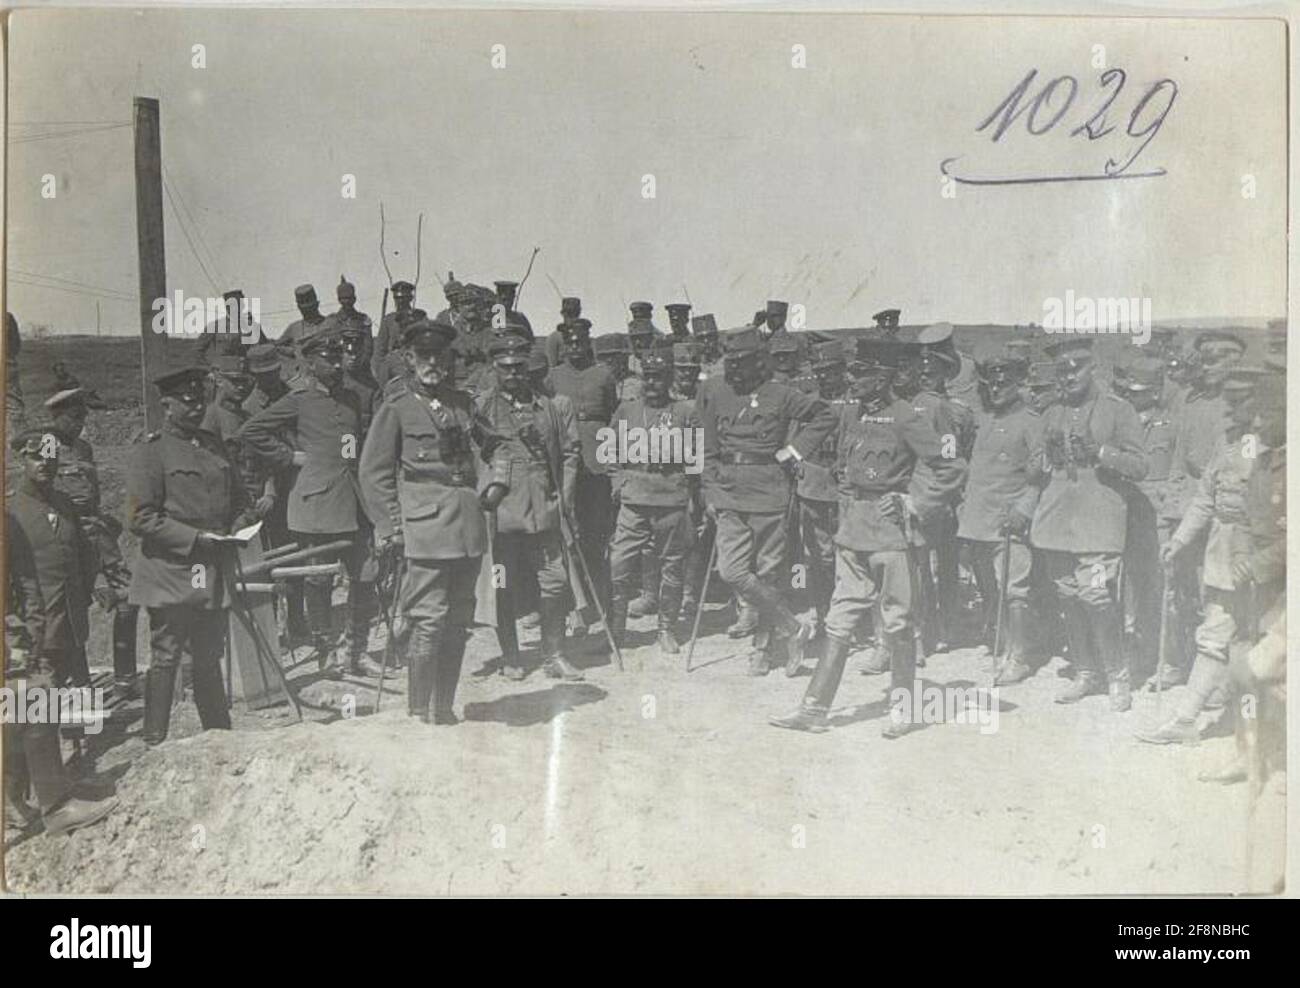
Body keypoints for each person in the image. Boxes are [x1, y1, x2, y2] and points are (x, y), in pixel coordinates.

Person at [769, 332, 965, 735]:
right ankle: (814, 709)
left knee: (897, 623)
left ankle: (903, 710)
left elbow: (951, 466)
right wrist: (844, 513)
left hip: (892, 535)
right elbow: (844, 470)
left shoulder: (908, 416)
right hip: (853, 532)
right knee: (839, 621)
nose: (852, 380)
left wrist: (913, 503)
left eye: (860, 373)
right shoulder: (852, 414)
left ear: (881, 377)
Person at [360, 315, 507, 724]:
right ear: (409, 358)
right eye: (424, 355)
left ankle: (443, 709)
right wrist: (391, 527)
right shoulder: (397, 408)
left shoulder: (462, 403)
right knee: (429, 620)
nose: (433, 363)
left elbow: (495, 445)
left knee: (459, 620)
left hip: (467, 525)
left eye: (440, 355)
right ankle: (418, 713)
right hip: (423, 528)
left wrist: (495, 482)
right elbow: (373, 473)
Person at [1136, 366, 1275, 744]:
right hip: (1223, 548)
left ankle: (1248, 727)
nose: (1230, 405)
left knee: (1257, 640)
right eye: (1228, 397)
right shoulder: (1227, 440)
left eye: (1240, 398)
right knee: (1217, 633)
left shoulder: (1277, 444)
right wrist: (1179, 540)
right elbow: (1204, 498)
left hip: (1264, 556)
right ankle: (1190, 720)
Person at [242, 322, 383, 679]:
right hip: (317, 503)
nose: (338, 365)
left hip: (354, 500)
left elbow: (353, 442)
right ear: (310, 362)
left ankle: (358, 652)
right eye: (329, 359)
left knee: (365, 574)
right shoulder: (299, 398)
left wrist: (352, 463)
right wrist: (290, 457)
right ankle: (327, 655)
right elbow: (252, 431)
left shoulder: (351, 396)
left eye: (340, 357)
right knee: (319, 580)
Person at [698, 326, 835, 676]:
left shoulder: (780, 393)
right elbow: (705, 446)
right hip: (728, 492)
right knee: (732, 571)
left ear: (760, 362)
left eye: (742, 362)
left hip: (770, 492)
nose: (734, 369)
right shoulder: (714, 391)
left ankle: (762, 650)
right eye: (730, 362)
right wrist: (709, 489)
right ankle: (792, 627)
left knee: (770, 574)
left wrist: (794, 451)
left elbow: (825, 416)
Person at [5, 423, 118, 836]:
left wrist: (97, 584)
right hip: (34, 633)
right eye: (37, 457)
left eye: (51, 459)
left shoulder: (65, 505)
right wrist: (18, 633)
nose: (45, 466)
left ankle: (66, 779)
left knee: (67, 706)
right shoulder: (12, 513)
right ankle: (29, 799)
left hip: (69, 622)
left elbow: (83, 555)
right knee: (31, 713)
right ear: (22, 459)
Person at [126, 366, 246, 745]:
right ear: (168, 404)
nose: (196, 409)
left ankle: (218, 738)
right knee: (167, 655)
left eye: (201, 401)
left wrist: (241, 523)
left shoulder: (213, 444)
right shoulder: (151, 451)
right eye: (188, 402)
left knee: (209, 656)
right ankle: (154, 741)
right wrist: (196, 539)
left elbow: (239, 499)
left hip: (210, 568)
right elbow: (140, 516)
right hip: (172, 569)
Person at [1029, 338, 1148, 712]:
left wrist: (1100, 453)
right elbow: (1033, 469)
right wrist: (1044, 459)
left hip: (1099, 524)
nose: (1069, 377)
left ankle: (1117, 673)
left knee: (1096, 597)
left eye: (1076, 368)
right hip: (1057, 523)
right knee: (1068, 597)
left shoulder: (1118, 409)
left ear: (1091, 367)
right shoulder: (1051, 413)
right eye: (1062, 371)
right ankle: (1085, 671)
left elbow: (1141, 466)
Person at [476, 334, 584, 681]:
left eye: (519, 368)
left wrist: (565, 499)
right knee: (503, 586)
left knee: (555, 583)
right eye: (506, 368)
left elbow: (568, 453)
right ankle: (511, 656)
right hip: (502, 518)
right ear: (496, 369)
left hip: (544, 513)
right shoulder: (482, 408)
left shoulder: (547, 406)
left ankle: (554, 653)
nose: (513, 375)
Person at [45, 377, 140, 698]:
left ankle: (126, 678)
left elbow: (91, 493)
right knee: (75, 610)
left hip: (98, 534)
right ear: (55, 417)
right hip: (69, 538)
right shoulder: (46, 446)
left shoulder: (84, 447)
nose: (80, 424)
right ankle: (81, 680)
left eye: (83, 417)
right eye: (74, 418)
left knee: (128, 599)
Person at [606, 351, 700, 654]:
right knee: (618, 563)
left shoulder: (685, 412)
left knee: (672, 566)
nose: (652, 383)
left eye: (658, 377)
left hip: (671, 496)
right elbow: (611, 454)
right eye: (647, 376)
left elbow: (696, 462)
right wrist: (619, 484)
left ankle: (666, 629)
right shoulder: (626, 411)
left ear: (670, 379)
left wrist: (691, 499)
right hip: (634, 498)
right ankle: (616, 630)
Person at [958, 341, 1040, 684]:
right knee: (991, 588)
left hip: (1009, 520)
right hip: (977, 519)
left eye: (1004, 382)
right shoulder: (981, 420)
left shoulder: (1032, 422)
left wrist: (1023, 510)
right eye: (992, 382)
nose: (997, 387)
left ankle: (1020, 656)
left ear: (1019, 382)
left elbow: (1040, 475)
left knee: (1015, 590)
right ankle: (1002, 643)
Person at [547, 317, 618, 625]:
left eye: (580, 342)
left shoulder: (603, 373)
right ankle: (570, 605)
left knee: (594, 536)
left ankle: (598, 601)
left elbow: (613, 415)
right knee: (565, 536)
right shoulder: (553, 376)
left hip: (597, 462)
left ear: (588, 342)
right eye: (569, 344)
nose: (575, 348)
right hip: (565, 463)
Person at [794, 341, 851, 646]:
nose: (826, 378)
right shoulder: (808, 404)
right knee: (815, 558)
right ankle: (821, 612)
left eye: (831, 371)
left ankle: (850, 620)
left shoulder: (857, 404)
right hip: (812, 488)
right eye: (820, 372)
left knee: (849, 558)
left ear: (843, 371)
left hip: (845, 490)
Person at [196, 289, 264, 366]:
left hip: (245, 372)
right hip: (221, 374)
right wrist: (209, 368)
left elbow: (265, 347)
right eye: (233, 305)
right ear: (227, 307)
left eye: (240, 305)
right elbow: (197, 351)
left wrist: (254, 326)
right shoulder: (214, 326)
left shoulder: (249, 325)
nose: (237, 308)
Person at [372, 280, 417, 384]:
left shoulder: (419, 318)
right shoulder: (389, 320)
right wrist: (381, 372)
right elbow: (380, 350)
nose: (400, 302)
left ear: (410, 298)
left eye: (403, 298)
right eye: (397, 298)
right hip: (393, 370)